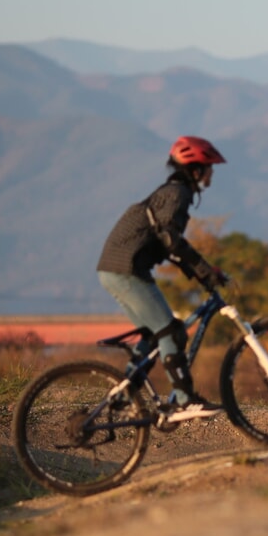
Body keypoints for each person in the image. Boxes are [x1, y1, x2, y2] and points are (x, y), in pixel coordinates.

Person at [96, 136, 230, 422]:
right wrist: (206, 271)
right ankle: (183, 401)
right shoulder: (176, 193)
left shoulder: (174, 192)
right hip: (125, 269)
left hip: (118, 268)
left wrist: (202, 271)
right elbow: (170, 239)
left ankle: (122, 395)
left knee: (156, 334)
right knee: (170, 332)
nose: (212, 173)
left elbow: (168, 242)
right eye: (209, 167)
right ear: (195, 169)